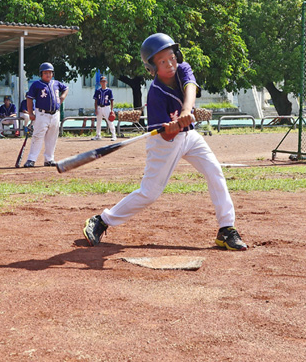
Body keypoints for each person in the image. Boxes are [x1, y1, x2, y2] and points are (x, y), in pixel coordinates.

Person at [82, 33, 247, 251]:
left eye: (171, 57)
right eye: (162, 61)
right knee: (149, 194)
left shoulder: (182, 69)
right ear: (152, 68)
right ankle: (102, 220)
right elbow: (167, 136)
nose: (169, 64)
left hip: (190, 136)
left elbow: (190, 87)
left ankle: (226, 229)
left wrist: (185, 113)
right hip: (164, 143)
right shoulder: (155, 94)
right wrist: (172, 128)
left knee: (214, 171)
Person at [22, 62, 68, 167]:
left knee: (52, 137)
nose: (48, 74)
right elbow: (29, 98)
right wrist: (30, 113)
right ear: (41, 74)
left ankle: (49, 159)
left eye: (50, 72)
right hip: (42, 114)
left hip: (55, 114)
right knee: (38, 136)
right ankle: (31, 159)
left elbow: (66, 88)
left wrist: (62, 97)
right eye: (45, 72)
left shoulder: (56, 83)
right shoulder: (36, 85)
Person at [92, 75, 116, 141]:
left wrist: (112, 110)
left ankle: (114, 135)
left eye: (104, 81)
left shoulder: (109, 91)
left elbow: (111, 100)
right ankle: (98, 135)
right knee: (98, 122)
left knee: (110, 121)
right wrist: (96, 109)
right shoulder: (98, 90)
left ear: (107, 82)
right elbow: (96, 100)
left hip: (106, 107)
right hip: (99, 107)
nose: (103, 83)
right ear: (100, 82)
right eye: (102, 81)